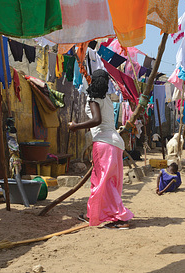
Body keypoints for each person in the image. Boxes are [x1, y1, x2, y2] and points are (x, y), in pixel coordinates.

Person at [69, 70, 133, 229]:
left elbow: (96, 120)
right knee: (108, 182)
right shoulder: (107, 100)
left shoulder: (93, 98)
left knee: (102, 182)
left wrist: (76, 126)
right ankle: (95, 215)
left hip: (104, 143)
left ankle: (120, 216)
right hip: (115, 143)